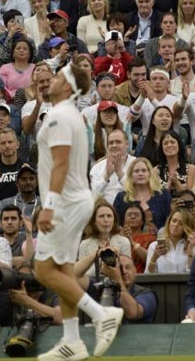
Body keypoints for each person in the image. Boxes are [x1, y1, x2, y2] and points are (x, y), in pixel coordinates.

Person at [32, 62, 123, 359]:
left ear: (68, 87)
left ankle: (100, 315)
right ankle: (72, 340)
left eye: (57, 78)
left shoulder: (59, 116)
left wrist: (49, 207)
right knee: (62, 270)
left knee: (44, 270)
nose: (49, 81)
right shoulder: (70, 114)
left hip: (65, 204)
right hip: (75, 200)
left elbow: (60, 164)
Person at [76, 199, 131, 278]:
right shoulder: (85, 244)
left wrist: (117, 259)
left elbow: (127, 273)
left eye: (109, 216)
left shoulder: (123, 242)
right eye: (101, 216)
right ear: (94, 221)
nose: (106, 220)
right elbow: (82, 275)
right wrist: (98, 258)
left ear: (114, 220)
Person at [113, 158, 172, 231]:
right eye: (136, 171)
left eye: (144, 171)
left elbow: (169, 220)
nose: (140, 174)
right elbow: (115, 223)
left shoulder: (163, 195)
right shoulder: (121, 197)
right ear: (131, 175)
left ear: (149, 174)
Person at [145, 208, 195, 273]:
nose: (176, 225)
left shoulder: (192, 246)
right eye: (174, 221)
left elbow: (194, 275)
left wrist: (190, 253)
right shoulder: (154, 246)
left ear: (186, 226)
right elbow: (148, 275)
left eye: (181, 223)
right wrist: (154, 258)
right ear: (169, 222)